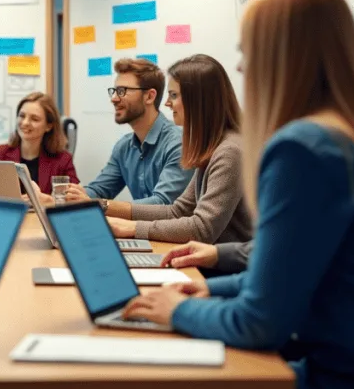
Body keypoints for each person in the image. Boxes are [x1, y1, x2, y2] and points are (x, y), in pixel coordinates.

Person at [122, 0, 354, 389]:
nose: (241, 69)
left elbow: (259, 325)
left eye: (247, 52)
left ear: (281, 58)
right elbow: (292, 271)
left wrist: (173, 310)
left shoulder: (305, 150)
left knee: (172, 382)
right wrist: (210, 292)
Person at [103, 55, 253, 247]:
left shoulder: (229, 152)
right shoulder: (213, 147)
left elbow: (201, 229)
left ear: (197, 100)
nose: (167, 103)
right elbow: (177, 211)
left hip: (223, 271)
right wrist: (104, 207)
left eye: (174, 95)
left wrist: (132, 228)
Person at [65, 58, 193, 210]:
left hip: (175, 233)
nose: (114, 99)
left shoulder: (179, 142)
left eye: (122, 91)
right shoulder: (124, 147)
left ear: (149, 96)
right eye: (114, 91)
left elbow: (163, 203)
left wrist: (100, 204)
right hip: (140, 232)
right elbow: (99, 190)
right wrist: (71, 196)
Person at [0, 92, 78, 195]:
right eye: (22, 116)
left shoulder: (63, 160)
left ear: (49, 126)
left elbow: (74, 199)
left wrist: (50, 201)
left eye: (34, 119)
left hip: (45, 211)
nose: (25, 123)